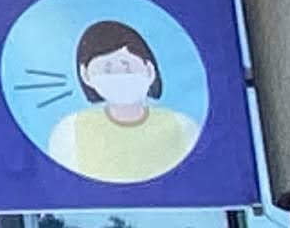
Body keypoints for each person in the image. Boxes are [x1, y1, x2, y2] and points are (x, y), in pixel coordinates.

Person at [49, 18, 198, 183]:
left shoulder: (181, 125)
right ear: (85, 75)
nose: (118, 76)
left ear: (149, 69)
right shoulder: (70, 130)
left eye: (126, 66)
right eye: (107, 69)